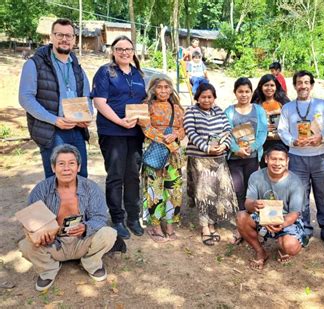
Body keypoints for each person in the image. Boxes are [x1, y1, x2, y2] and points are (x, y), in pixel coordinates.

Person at [19, 144, 117, 292]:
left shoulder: (91, 188)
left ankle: (90, 262)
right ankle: (49, 269)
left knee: (109, 233)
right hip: (53, 243)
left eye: (71, 163)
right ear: (53, 167)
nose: (66, 168)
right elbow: (30, 221)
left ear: (78, 167)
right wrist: (40, 235)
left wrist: (85, 227)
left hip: (82, 241)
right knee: (26, 245)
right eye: (61, 164)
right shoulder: (41, 189)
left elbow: (100, 217)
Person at [19, 18, 92, 179]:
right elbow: (25, 98)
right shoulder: (34, 64)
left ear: (74, 39)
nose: (64, 39)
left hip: (77, 131)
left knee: (81, 178)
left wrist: (87, 116)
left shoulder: (77, 67)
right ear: (51, 37)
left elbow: (87, 96)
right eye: (59, 35)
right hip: (52, 132)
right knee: (58, 181)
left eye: (69, 35)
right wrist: (54, 119)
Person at [91, 35, 146, 239]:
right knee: (116, 176)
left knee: (132, 175)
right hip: (112, 132)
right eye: (120, 49)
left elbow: (143, 101)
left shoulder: (138, 74)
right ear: (113, 51)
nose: (124, 52)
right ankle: (117, 218)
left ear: (133, 52)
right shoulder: (106, 72)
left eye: (128, 49)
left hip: (135, 133)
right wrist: (120, 121)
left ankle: (133, 217)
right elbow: (99, 102)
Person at [278, 70, 324, 250]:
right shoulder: (288, 107)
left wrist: (321, 137)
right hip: (297, 157)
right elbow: (282, 130)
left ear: (311, 85)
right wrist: (292, 141)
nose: (303, 86)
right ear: (295, 85)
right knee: (300, 196)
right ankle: (304, 229)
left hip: (320, 156)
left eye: (306, 82)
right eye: (299, 82)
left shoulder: (321, 105)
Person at [184, 83, 238, 246]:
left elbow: (228, 130)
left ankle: (213, 222)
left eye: (210, 97)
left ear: (214, 98)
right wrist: (207, 148)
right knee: (203, 193)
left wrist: (224, 145)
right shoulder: (191, 111)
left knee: (218, 192)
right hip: (200, 159)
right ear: (197, 97)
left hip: (219, 159)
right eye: (203, 97)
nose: (206, 100)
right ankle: (205, 227)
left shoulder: (219, 111)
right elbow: (191, 132)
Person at [236, 144, 305, 270]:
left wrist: (281, 224)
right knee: (241, 217)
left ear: (287, 161)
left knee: (291, 247)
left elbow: (295, 213)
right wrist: (253, 204)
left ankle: (283, 245)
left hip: (286, 219)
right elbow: (247, 202)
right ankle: (260, 251)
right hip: (262, 215)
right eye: (273, 159)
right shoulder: (256, 176)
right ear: (266, 159)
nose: (277, 163)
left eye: (281, 159)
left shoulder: (295, 182)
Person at [139, 75, 185, 243]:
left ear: (171, 89)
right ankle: (156, 226)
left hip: (174, 155)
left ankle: (170, 224)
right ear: (153, 89)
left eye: (167, 87)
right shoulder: (146, 106)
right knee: (154, 190)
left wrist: (176, 135)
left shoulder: (178, 108)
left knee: (174, 190)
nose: (164, 90)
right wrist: (164, 140)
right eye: (160, 87)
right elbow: (146, 128)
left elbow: (183, 128)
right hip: (155, 151)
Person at [225, 77, 267, 244]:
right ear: (235, 92)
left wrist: (253, 147)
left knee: (253, 191)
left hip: (252, 157)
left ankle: (254, 225)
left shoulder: (258, 110)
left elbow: (263, 132)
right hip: (234, 159)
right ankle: (240, 226)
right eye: (240, 91)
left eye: (247, 91)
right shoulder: (229, 111)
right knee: (238, 191)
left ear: (251, 92)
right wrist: (236, 149)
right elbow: (226, 133)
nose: (244, 95)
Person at [251, 74, 290, 167]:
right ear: (261, 87)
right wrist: (262, 128)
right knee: (265, 170)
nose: (269, 88)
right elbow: (250, 124)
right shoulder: (256, 104)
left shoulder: (284, 103)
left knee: (281, 170)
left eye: (272, 85)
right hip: (263, 143)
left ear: (276, 87)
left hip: (282, 143)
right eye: (266, 85)